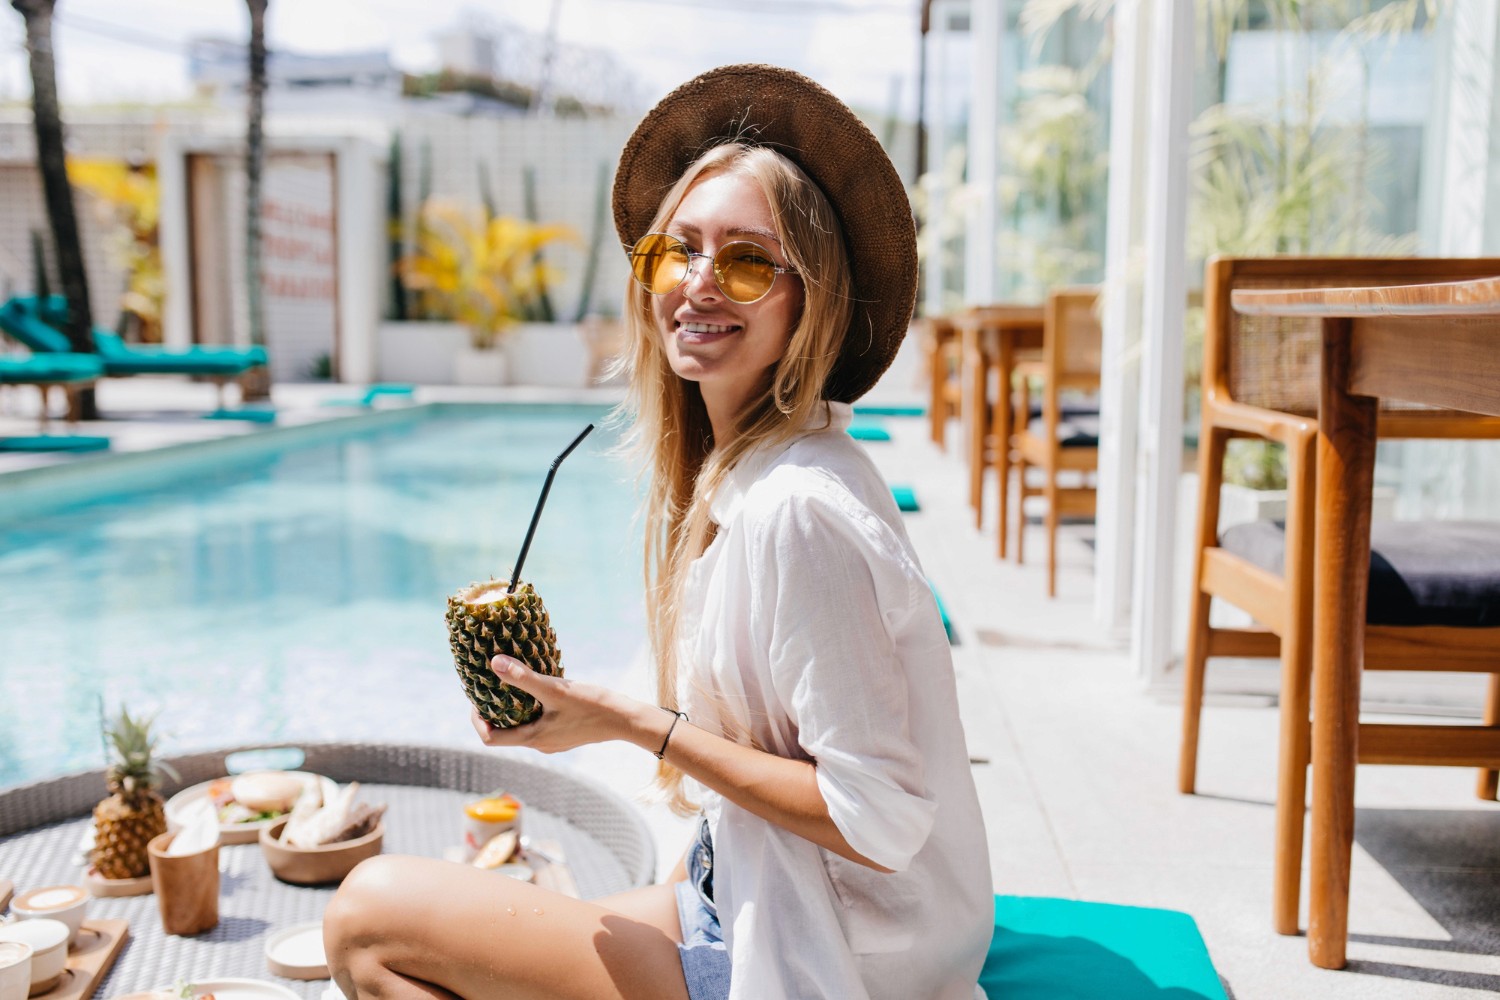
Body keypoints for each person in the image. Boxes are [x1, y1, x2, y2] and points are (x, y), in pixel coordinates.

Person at [324, 64, 993, 1000]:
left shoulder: (799, 510)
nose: (699, 283)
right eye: (678, 252)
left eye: (748, 261)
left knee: (368, 917)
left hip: (835, 953)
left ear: (810, 298)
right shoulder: (748, 475)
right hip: (752, 888)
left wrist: (628, 724)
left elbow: (876, 817)